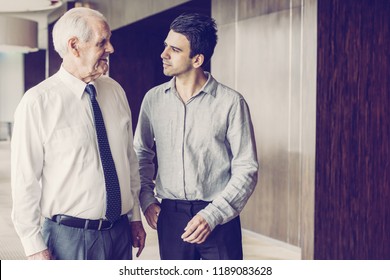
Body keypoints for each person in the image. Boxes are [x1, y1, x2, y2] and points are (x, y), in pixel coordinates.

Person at [11, 7, 146, 260]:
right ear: (74, 46)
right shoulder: (38, 102)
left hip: (119, 234)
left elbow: (129, 160)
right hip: (68, 239)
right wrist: (33, 246)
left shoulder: (115, 91)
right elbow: (24, 181)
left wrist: (134, 217)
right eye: (102, 42)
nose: (111, 49)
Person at [134, 13, 258, 260]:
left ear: (197, 59)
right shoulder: (153, 100)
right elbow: (141, 153)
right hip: (170, 217)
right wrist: (147, 200)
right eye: (165, 46)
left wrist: (212, 216)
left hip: (218, 217)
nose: (164, 54)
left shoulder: (231, 103)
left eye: (175, 49)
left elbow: (247, 168)